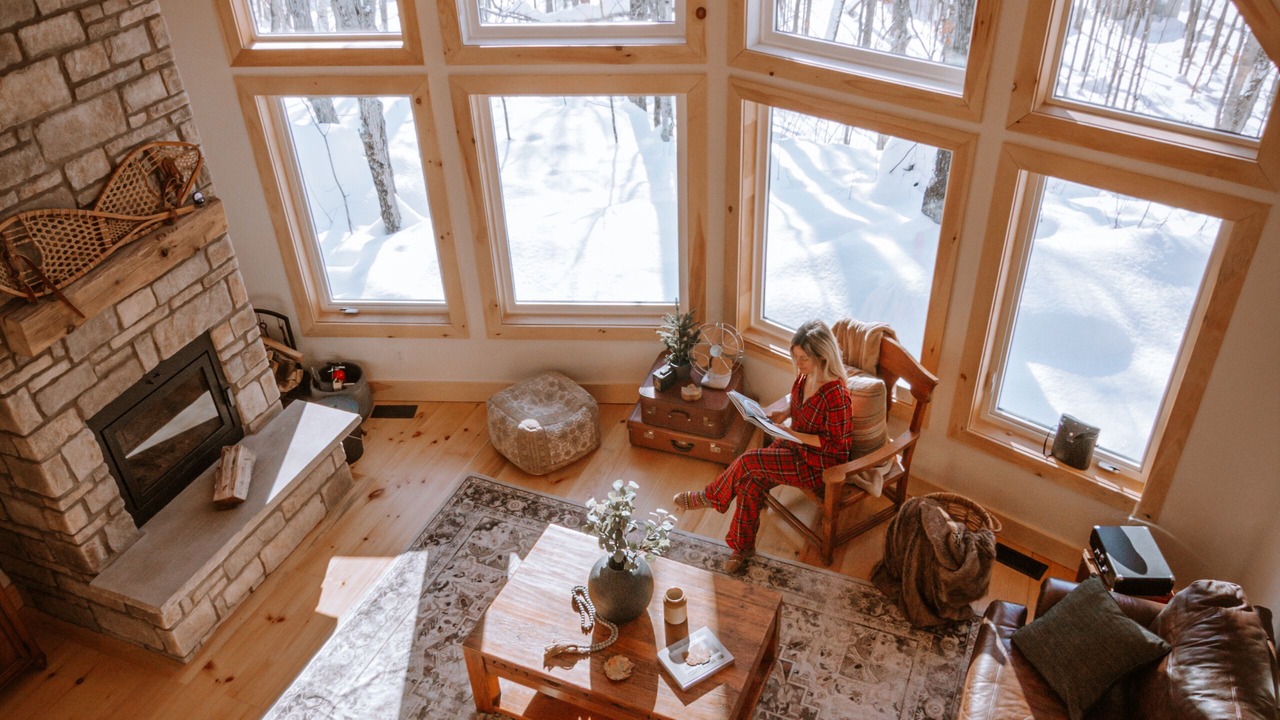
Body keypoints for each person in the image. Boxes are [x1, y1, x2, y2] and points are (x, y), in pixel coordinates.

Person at [674, 319, 853, 574]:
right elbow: (796, 400)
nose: (798, 364)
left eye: (803, 358)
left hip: (817, 463)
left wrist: (794, 433)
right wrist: (780, 412)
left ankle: (710, 497)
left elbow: (838, 446)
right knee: (750, 481)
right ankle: (742, 548)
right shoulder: (805, 376)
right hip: (793, 445)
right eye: (796, 357)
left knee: (749, 462)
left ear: (823, 356)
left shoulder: (837, 394)